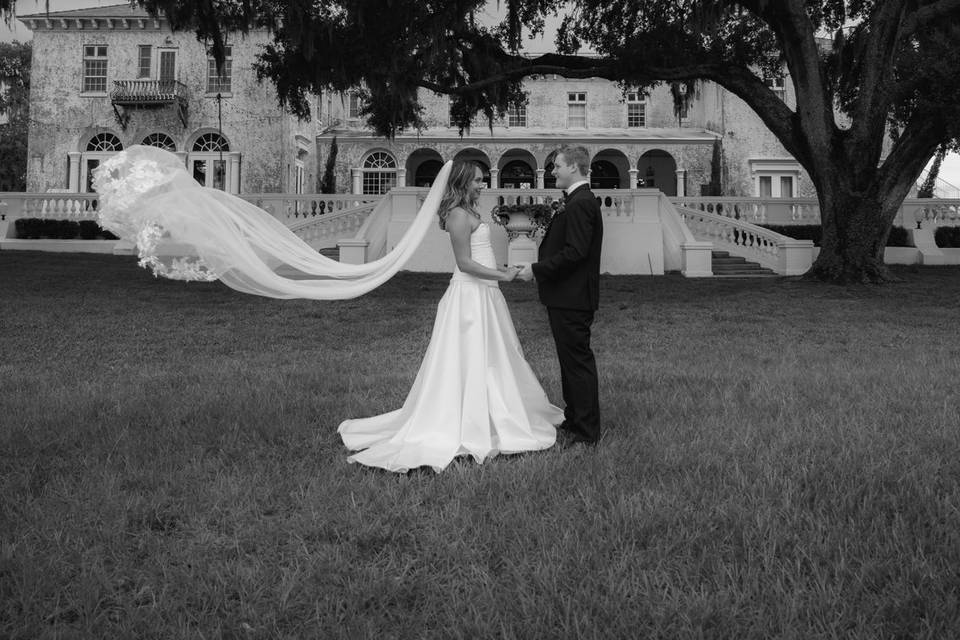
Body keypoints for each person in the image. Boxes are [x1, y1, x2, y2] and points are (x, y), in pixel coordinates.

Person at [338, 162, 564, 472]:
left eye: (483, 180)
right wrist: (504, 277)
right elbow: (466, 264)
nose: (483, 185)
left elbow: (480, 254)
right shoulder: (458, 215)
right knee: (468, 357)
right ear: (461, 183)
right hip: (469, 297)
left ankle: (490, 411)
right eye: (478, 181)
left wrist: (502, 270)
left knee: (492, 357)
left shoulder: (470, 211)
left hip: (485, 293)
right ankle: (463, 418)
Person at [517, 145, 604, 446]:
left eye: (557, 166)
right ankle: (575, 419)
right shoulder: (577, 200)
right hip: (566, 296)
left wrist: (537, 269)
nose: (552, 171)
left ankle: (586, 432)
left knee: (577, 363)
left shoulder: (580, 203)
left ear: (575, 168)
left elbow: (576, 252)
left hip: (573, 297)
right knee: (570, 363)